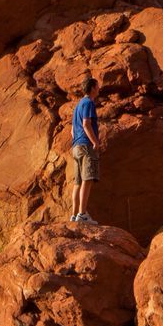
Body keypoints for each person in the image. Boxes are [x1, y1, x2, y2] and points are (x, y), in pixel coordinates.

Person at [69, 76, 102, 222]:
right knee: (87, 179)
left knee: (78, 182)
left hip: (76, 145)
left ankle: (75, 215)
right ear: (93, 88)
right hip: (85, 145)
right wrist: (94, 141)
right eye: (97, 86)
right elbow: (86, 124)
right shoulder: (89, 102)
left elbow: (72, 130)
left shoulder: (78, 105)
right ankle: (82, 215)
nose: (99, 88)